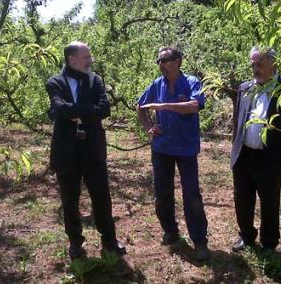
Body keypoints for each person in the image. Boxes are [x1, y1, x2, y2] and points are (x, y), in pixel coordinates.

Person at [45, 41, 126, 260]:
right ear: (72, 59)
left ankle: (109, 240)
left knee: (102, 196)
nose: (91, 61)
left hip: (92, 148)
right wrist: (87, 111)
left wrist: (74, 113)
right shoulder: (55, 82)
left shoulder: (95, 80)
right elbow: (59, 108)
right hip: (66, 150)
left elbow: (105, 109)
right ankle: (75, 243)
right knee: (69, 200)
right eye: (86, 57)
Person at [137, 46, 210, 261]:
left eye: (166, 59)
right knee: (163, 193)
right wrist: (149, 126)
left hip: (186, 148)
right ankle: (170, 230)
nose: (161, 64)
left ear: (178, 60)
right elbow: (141, 107)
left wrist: (163, 106)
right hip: (162, 149)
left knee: (191, 194)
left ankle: (200, 241)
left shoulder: (192, 82)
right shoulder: (156, 84)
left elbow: (193, 106)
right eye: (159, 60)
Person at [230, 47, 281, 252]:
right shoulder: (244, 88)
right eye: (252, 64)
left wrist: (280, 146)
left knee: (270, 203)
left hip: (270, 157)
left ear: (274, 64)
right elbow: (237, 121)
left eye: (260, 64)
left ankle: (269, 243)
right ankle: (246, 236)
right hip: (244, 155)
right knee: (242, 199)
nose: (255, 69)